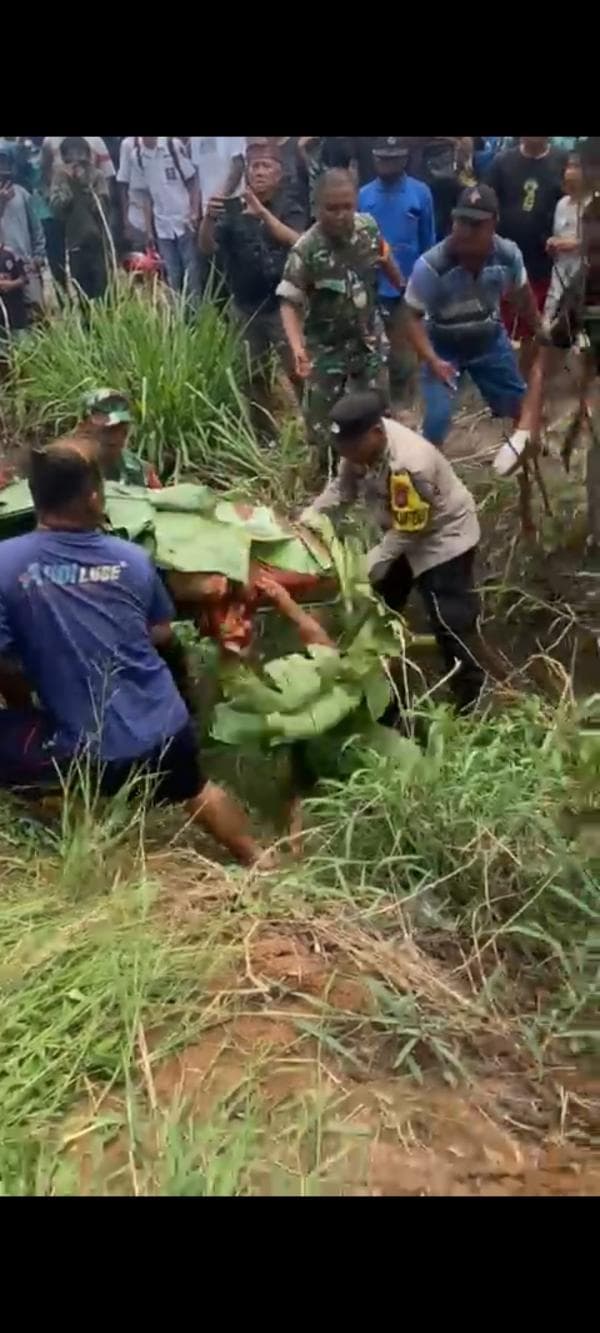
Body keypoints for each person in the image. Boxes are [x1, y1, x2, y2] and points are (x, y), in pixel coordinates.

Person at [0, 437, 268, 866]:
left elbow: (4, 661)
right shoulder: (132, 559)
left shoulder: (5, 564)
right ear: (92, 498)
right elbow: (160, 632)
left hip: (86, 752)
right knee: (196, 789)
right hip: (166, 731)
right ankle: (257, 858)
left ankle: (70, 820)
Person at [302, 391, 484, 712]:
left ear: (376, 433)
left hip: (443, 538)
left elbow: (412, 529)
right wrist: (310, 517)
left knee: (448, 619)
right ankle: (383, 664)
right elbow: (342, 490)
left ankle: (470, 699)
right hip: (402, 529)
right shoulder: (359, 445)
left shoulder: (411, 464)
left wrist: (376, 559)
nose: (347, 455)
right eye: (342, 449)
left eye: (351, 448)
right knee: (382, 599)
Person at [277, 168, 403, 463]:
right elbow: (288, 301)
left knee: (377, 416)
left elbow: (384, 255)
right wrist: (297, 349)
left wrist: (400, 283)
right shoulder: (306, 250)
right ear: (317, 207)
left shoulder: (368, 228)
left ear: (356, 202)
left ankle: (378, 473)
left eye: (347, 206)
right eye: (331, 208)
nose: (341, 215)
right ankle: (328, 478)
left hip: (367, 342)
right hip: (326, 349)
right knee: (323, 425)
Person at [404, 184, 544, 448]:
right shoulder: (432, 265)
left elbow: (522, 294)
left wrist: (539, 328)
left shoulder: (508, 255)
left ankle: (526, 462)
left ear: (494, 224)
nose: (466, 231)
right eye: (462, 221)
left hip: (488, 342)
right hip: (443, 346)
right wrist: (432, 360)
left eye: (477, 224)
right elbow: (411, 316)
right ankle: (426, 476)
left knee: (518, 407)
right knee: (436, 421)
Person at [199, 142, 306, 416]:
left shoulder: (290, 206)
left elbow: (299, 243)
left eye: (266, 166)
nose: (259, 172)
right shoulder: (233, 209)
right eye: (254, 166)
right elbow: (207, 248)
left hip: (282, 307)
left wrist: (263, 215)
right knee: (251, 375)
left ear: (279, 174)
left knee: (298, 371)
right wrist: (208, 220)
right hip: (245, 307)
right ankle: (264, 434)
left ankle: (312, 427)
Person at [359, 137, 436, 401]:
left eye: (392, 159)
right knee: (375, 352)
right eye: (382, 159)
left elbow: (429, 241)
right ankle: (381, 404)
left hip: (408, 285)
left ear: (404, 159)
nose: (387, 164)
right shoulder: (364, 195)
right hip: (371, 286)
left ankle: (407, 405)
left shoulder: (420, 192)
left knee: (406, 355)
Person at [486, 137, 565, 369]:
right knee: (503, 327)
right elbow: (488, 204)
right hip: (505, 261)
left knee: (536, 327)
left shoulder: (561, 162)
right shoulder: (502, 162)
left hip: (543, 262)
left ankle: (529, 377)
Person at [41, 136, 115, 294]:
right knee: (81, 288)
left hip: (98, 241)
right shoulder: (60, 178)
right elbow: (57, 208)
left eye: (80, 154)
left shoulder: (97, 176)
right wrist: (69, 184)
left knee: (103, 287)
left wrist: (83, 184)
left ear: (88, 156)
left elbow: (101, 207)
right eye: (70, 155)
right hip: (74, 242)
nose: (75, 160)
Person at [127, 137, 199, 299]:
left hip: (184, 220)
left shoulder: (172, 146)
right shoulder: (137, 156)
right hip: (162, 226)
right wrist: (149, 230)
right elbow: (145, 196)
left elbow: (192, 180)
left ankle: (197, 316)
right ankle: (179, 318)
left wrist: (194, 211)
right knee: (172, 274)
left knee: (192, 273)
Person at [78, 388, 162, 488]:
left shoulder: (141, 472)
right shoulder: (61, 468)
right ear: (83, 428)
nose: (115, 439)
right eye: (106, 431)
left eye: (122, 430)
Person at [544, 152, 590, 325]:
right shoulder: (561, 204)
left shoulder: (592, 203)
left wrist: (571, 244)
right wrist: (552, 244)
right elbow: (557, 235)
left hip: (583, 274)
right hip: (560, 270)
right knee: (550, 319)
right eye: (568, 168)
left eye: (576, 168)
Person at [0, 146, 45, 316]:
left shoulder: (22, 194)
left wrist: (38, 257)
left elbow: (36, 228)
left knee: (37, 312)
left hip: (26, 264)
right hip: (1, 269)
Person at [189, 136, 246, 206]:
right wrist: (196, 209)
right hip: (207, 205)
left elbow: (238, 166)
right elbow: (196, 173)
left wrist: (221, 196)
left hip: (232, 202)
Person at [116, 137, 150, 252]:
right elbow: (123, 182)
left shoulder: (164, 142)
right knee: (142, 259)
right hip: (138, 215)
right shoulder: (128, 144)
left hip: (163, 215)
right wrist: (126, 221)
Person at [0, 241, 28, 365]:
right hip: (1, 321)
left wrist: (11, 285)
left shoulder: (10, 254)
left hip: (17, 314)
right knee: (5, 357)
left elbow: (24, 278)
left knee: (24, 351)